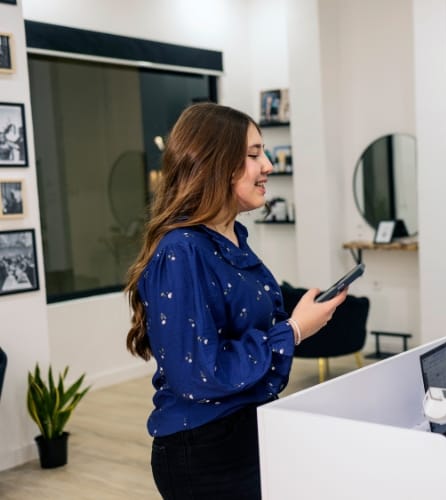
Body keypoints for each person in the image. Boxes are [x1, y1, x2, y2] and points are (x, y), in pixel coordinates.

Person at [124, 102, 347, 499]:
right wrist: (294, 330)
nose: (268, 166)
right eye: (254, 154)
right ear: (218, 164)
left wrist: (298, 322)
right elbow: (198, 374)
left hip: (249, 429)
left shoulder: (233, 237)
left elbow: (259, 328)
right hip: (205, 449)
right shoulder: (182, 249)